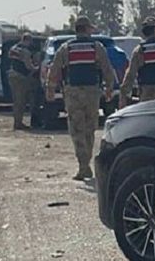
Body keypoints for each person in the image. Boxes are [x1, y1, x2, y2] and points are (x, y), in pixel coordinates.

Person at [46, 17, 116, 181]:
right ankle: (85, 164)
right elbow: (107, 69)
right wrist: (109, 88)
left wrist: (50, 88)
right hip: (92, 92)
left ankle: (83, 166)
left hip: (73, 93)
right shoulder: (96, 47)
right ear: (86, 29)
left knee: (77, 130)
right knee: (90, 129)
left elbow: (55, 69)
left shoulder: (66, 48)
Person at [8, 33, 36, 130]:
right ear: (27, 40)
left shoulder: (13, 48)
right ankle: (18, 123)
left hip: (12, 75)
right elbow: (28, 66)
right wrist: (36, 69)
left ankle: (17, 122)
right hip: (20, 77)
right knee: (20, 101)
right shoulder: (25, 51)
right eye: (30, 41)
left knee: (16, 100)